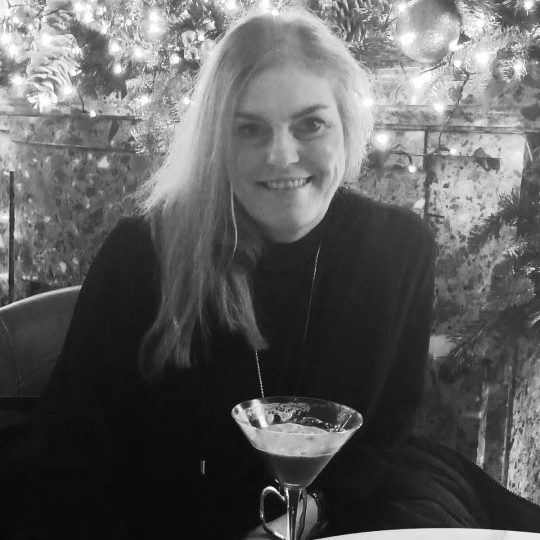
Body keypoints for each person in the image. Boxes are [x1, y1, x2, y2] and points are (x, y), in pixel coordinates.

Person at [4, 6, 540, 540]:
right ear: (217, 142)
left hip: (342, 508)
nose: (282, 155)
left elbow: (383, 437)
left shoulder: (397, 249)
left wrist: (294, 522)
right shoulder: (142, 252)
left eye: (311, 124)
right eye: (250, 129)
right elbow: (68, 460)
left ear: (347, 127)